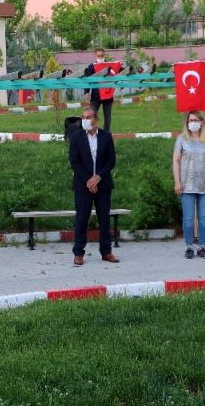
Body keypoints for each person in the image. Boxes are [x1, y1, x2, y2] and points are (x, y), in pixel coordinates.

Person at [69, 108, 118, 266]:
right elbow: (74, 161)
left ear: (96, 119)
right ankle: (78, 253)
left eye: (88, 117)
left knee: (104, 219)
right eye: (83, 117)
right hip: (83, 185)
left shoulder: (106, 136)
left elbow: (111, 160)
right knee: (81, 218)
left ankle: (106, 251)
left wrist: (98, 177)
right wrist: (89, 180)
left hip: (103, 184)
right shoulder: (76, 137)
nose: (85, 120)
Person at [172, 111, 205, 259]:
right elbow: (176, 161)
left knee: (204, 218)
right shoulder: (181, 139)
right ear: (187, 123)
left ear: (202, 122)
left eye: (196, 120)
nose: (193, 122)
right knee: (188, 218)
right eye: (191, 120)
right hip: (187, 185)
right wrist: (177, 181)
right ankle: (189, 247)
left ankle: (202, 247)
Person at [83, 48, 114, 134]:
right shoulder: (91, 66)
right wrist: (86, 91)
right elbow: (88, 79)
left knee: (107, 116)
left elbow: (115, 75)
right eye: (98, 56)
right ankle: (91, 132)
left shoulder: (110, 66)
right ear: (95, 55)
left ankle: (106, 134)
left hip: (108, 95)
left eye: (102, 56)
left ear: (104, 55)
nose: (100, 57)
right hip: (95, 95)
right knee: (92, 114)